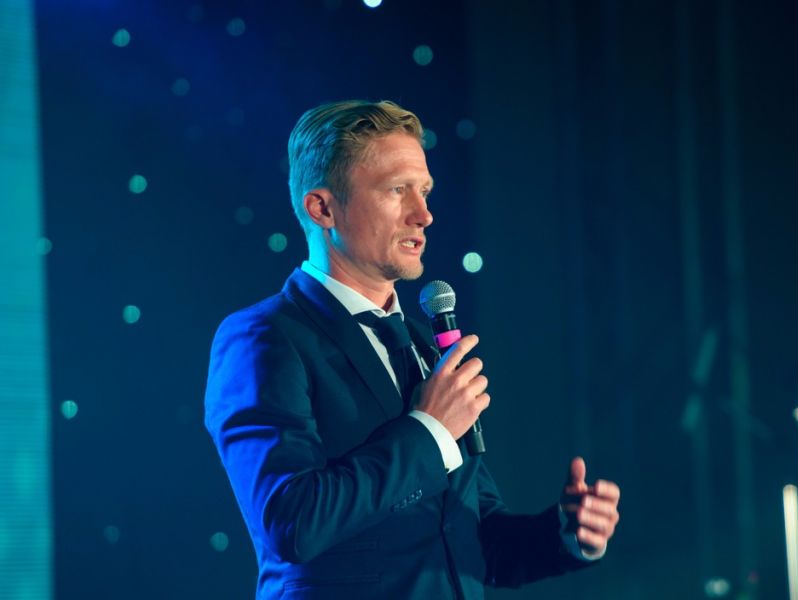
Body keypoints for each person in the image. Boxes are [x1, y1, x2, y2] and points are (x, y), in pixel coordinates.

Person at [204, 100, 620, 599]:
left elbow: (470, 540)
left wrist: (566, 535)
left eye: (424, 191)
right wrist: (429, 430)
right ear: (323, 208)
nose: (424, 215)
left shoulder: (423, 343)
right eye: (396, 190)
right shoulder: (264, 337)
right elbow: (293, 521)